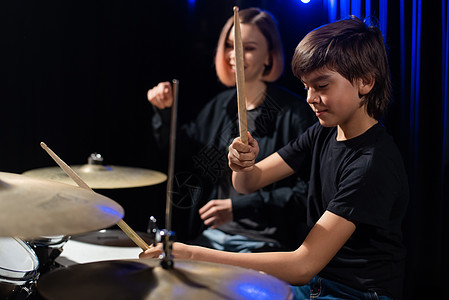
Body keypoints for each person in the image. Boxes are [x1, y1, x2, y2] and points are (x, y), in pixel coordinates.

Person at [141, 16, 409, 300]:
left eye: (321, 86)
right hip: (319, 283)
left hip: (355, 293)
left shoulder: (371, 163)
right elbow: (248, 183)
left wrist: (193, 254)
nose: (309, 97)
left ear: (365, 82)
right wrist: (242, 163)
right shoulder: (322, 133)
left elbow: (302, 264)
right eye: (306, 86)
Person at [147, 7, 316, 252]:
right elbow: (181, 148)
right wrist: (164, 111)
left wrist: (240, 207)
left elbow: (306, 194)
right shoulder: (221, 105)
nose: (234, 54)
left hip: (265, 243)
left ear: (269, 56)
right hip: (213, 237)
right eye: (229, 45)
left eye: (247, 48)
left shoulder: (295, 114)